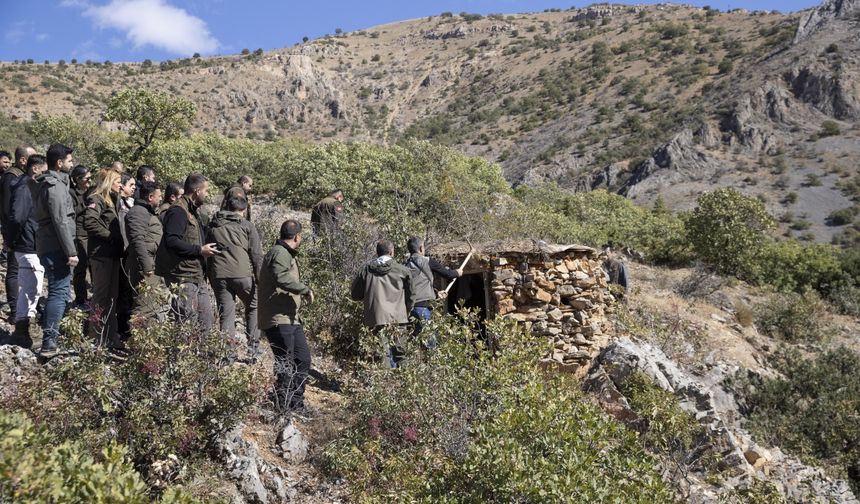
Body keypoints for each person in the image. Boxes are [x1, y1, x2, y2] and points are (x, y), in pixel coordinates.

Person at [258, 219, 314, 413]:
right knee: (286, 363)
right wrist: (304, 289)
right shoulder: (280, 253)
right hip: (278, 318)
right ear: (297, 237)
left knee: (303, 359)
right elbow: (280, 276)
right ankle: (282, 404)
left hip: (290, 318)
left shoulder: (283, 252)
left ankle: (295, 404)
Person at [155, 173, 217, 330]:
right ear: (197, 191)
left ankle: (203, 354)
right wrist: (199, 250)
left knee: (206, 321)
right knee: (186, 322)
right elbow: (172, 241)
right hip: (183, 276)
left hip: (196, 274)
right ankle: (181, 354)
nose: (207, 194)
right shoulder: (178, 211)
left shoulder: (192, 210)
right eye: (206, 191)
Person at [32, 144, 78, 357]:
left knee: (56, 291)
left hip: (49, 244)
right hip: (57, 247)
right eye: (69, 160)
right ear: (59, 163)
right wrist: (71, 250)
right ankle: (50, 342)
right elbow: (60, 220)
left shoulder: (45, 183)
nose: (72, 164)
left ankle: (51, 339)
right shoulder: (55, 186)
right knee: (59, 292)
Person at [207, 196, 262, 358]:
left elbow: (207, 251)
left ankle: (228, 355)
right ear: (243, 210)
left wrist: (209, 275)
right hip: (242, 274)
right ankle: (253, 350)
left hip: (219, 274)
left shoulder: (213, 225)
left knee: (226, 314)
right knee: (253, 306)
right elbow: (257, 255)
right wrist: (260, 279)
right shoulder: (247, 226)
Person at [4, 155, 47, 348]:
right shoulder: (24, 187)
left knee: (31, 286)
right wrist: (10, 241)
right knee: (31, 287)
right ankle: (21, 332)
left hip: (29, 242)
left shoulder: (28, 186)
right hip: (27, 243)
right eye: (44, 171)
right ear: (35, 169)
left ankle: (23, 330)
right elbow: (18, 217)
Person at [351, 240, 415, 368]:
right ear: (392, 252)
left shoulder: (366, 270)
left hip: (375, 317)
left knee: (381, 354)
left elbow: (355, 294)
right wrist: (407, 311)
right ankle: (403, 384)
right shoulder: (403, 270)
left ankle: (385, 384)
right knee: (401, 354)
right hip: (398, 317)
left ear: (377, 253)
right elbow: (411, 296)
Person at [84, 170, 124, 349]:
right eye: (117, 181)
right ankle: (95, 336)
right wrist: (109, 236)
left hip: (113, 254)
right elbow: (90, 222)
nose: (120, 185)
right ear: (108, 182)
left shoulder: (113, 200)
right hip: (101, 255)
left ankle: (111, 335)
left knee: (112, 297)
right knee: (100, 296)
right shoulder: (97, 199)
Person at [1, 145, 35, 322]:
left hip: (22, 231)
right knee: (13, 271)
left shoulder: (20, 176)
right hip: (14, 232)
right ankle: (15, 311)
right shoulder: (11, 177)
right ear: (23, 159)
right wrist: (9, 237)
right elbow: (8, 210)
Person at [404, 237, 462, 338]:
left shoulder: (404, 265)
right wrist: (457, 273)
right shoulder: (427, 261)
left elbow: (418, 285)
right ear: (421, 248)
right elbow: (447, 274)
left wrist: (436, 294)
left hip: (408, 310)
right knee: (430, 344)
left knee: (414, 343)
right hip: (423, 309)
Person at [69, 165, 92, 308]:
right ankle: (81, 298)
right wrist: (88, 207)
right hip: (80, 232)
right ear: (78, 179)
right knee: (80, 267)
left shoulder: (91, 192)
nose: (89, 181)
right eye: (86, 178)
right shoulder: (71, 193)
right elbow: (73, 212)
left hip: (92, 232)